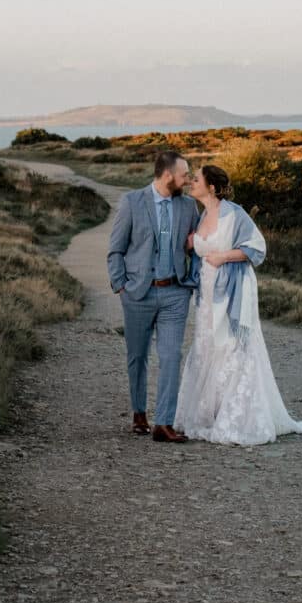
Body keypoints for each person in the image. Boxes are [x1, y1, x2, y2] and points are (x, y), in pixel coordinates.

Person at [174, 164, 302, 445]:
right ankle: (210, 413)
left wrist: (224, 256)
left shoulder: (234, 214)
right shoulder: (201, 215)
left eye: (197, 179)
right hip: (207, 294)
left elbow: (257, 247)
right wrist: (192, 245)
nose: (192, 182)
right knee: (207, 346)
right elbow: (200, 250)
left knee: (231, 347)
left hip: (233, 292)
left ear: (212, 187)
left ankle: (236, 416)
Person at [106, 150, 200, 442]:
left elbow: (197, 247)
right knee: (137, 356)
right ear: (168, 175)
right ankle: (138, 413)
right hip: (138, 294)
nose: (188, 179)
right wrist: (121, 285)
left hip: (175, 293)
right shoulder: (132, 202)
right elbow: (116, 249)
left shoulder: (189, 207)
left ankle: (163, 423)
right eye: (184, 174)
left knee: (171, 356)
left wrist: (192, 279)